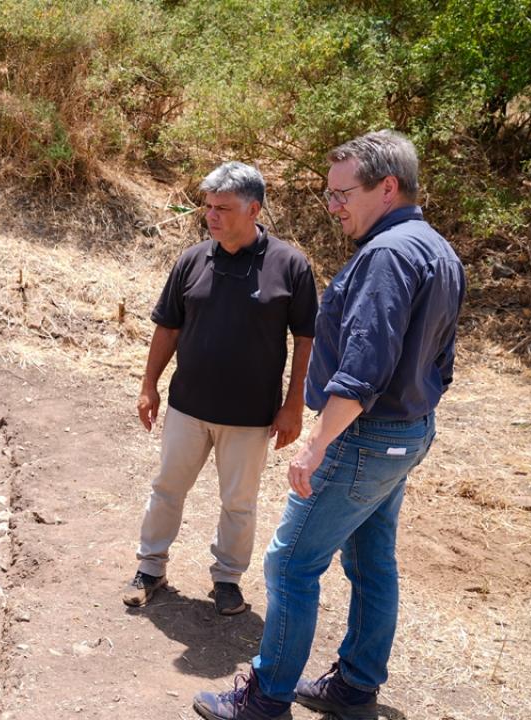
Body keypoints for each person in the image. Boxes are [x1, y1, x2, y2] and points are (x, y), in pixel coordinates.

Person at [193, 131, 465, 720]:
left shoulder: (387, 256)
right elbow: (441, 358)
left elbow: (364, 368)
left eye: (343, 194)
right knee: (372, 561)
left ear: (387, 188)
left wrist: (317, 443)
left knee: (290, 563)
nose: (333, 205)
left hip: (364, 437)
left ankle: (266, 699)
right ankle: (355, 686)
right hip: (409, 431)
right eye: (328, 194)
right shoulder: (435, 248)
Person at [126, 162, 317, 616]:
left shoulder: (289, 266)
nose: (211, 216)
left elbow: (306, 338)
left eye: (223, 208)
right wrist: (148, 385)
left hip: (251, 415)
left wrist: (294, 406)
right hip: (188, 406)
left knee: (238, 503)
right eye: (208, 206)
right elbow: (168, 328)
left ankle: (228, 580)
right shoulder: (193, 260)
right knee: (167, 488)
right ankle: (150, 569)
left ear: (254, 209)